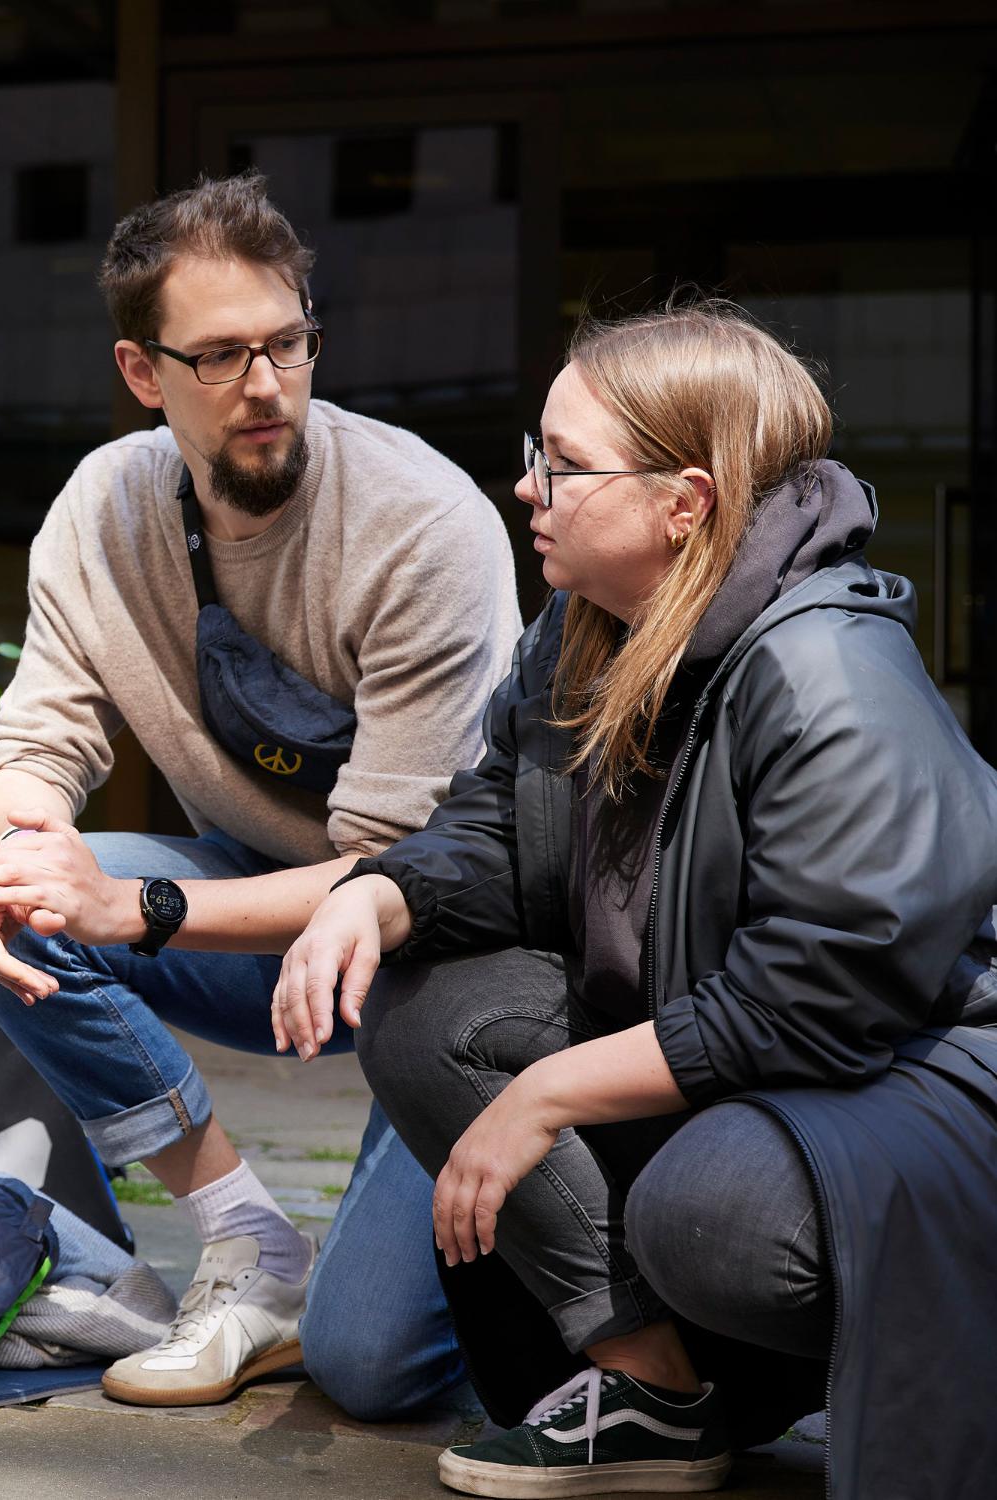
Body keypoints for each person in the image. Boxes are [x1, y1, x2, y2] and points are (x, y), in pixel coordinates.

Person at [279, 301, 997, 1498]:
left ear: (688, 502)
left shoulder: (829, 670)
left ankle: (863, 1348)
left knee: (708, 1213)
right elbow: (504, 830)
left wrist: (550, 1093)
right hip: (744, 1056)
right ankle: (657, 1391)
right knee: (426, 1008)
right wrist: (377, 896)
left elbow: (820, 1000)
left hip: (917, 1083)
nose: (529, 489)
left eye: (563, 465)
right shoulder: (589, 624)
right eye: (535, 453)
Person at [0, 172, 522, 1418]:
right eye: (218, 357)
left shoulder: (419, 526)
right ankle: (249, 1243)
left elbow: (398, 871)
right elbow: (35, 744)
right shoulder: (105, 509)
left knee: (375, 1367)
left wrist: (128, 905)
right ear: (143, 374)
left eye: (287, 342)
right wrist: (31, 861)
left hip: (455, 953)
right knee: (16, 904)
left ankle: (535, 1223)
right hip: (269, 910)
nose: (264, 384)